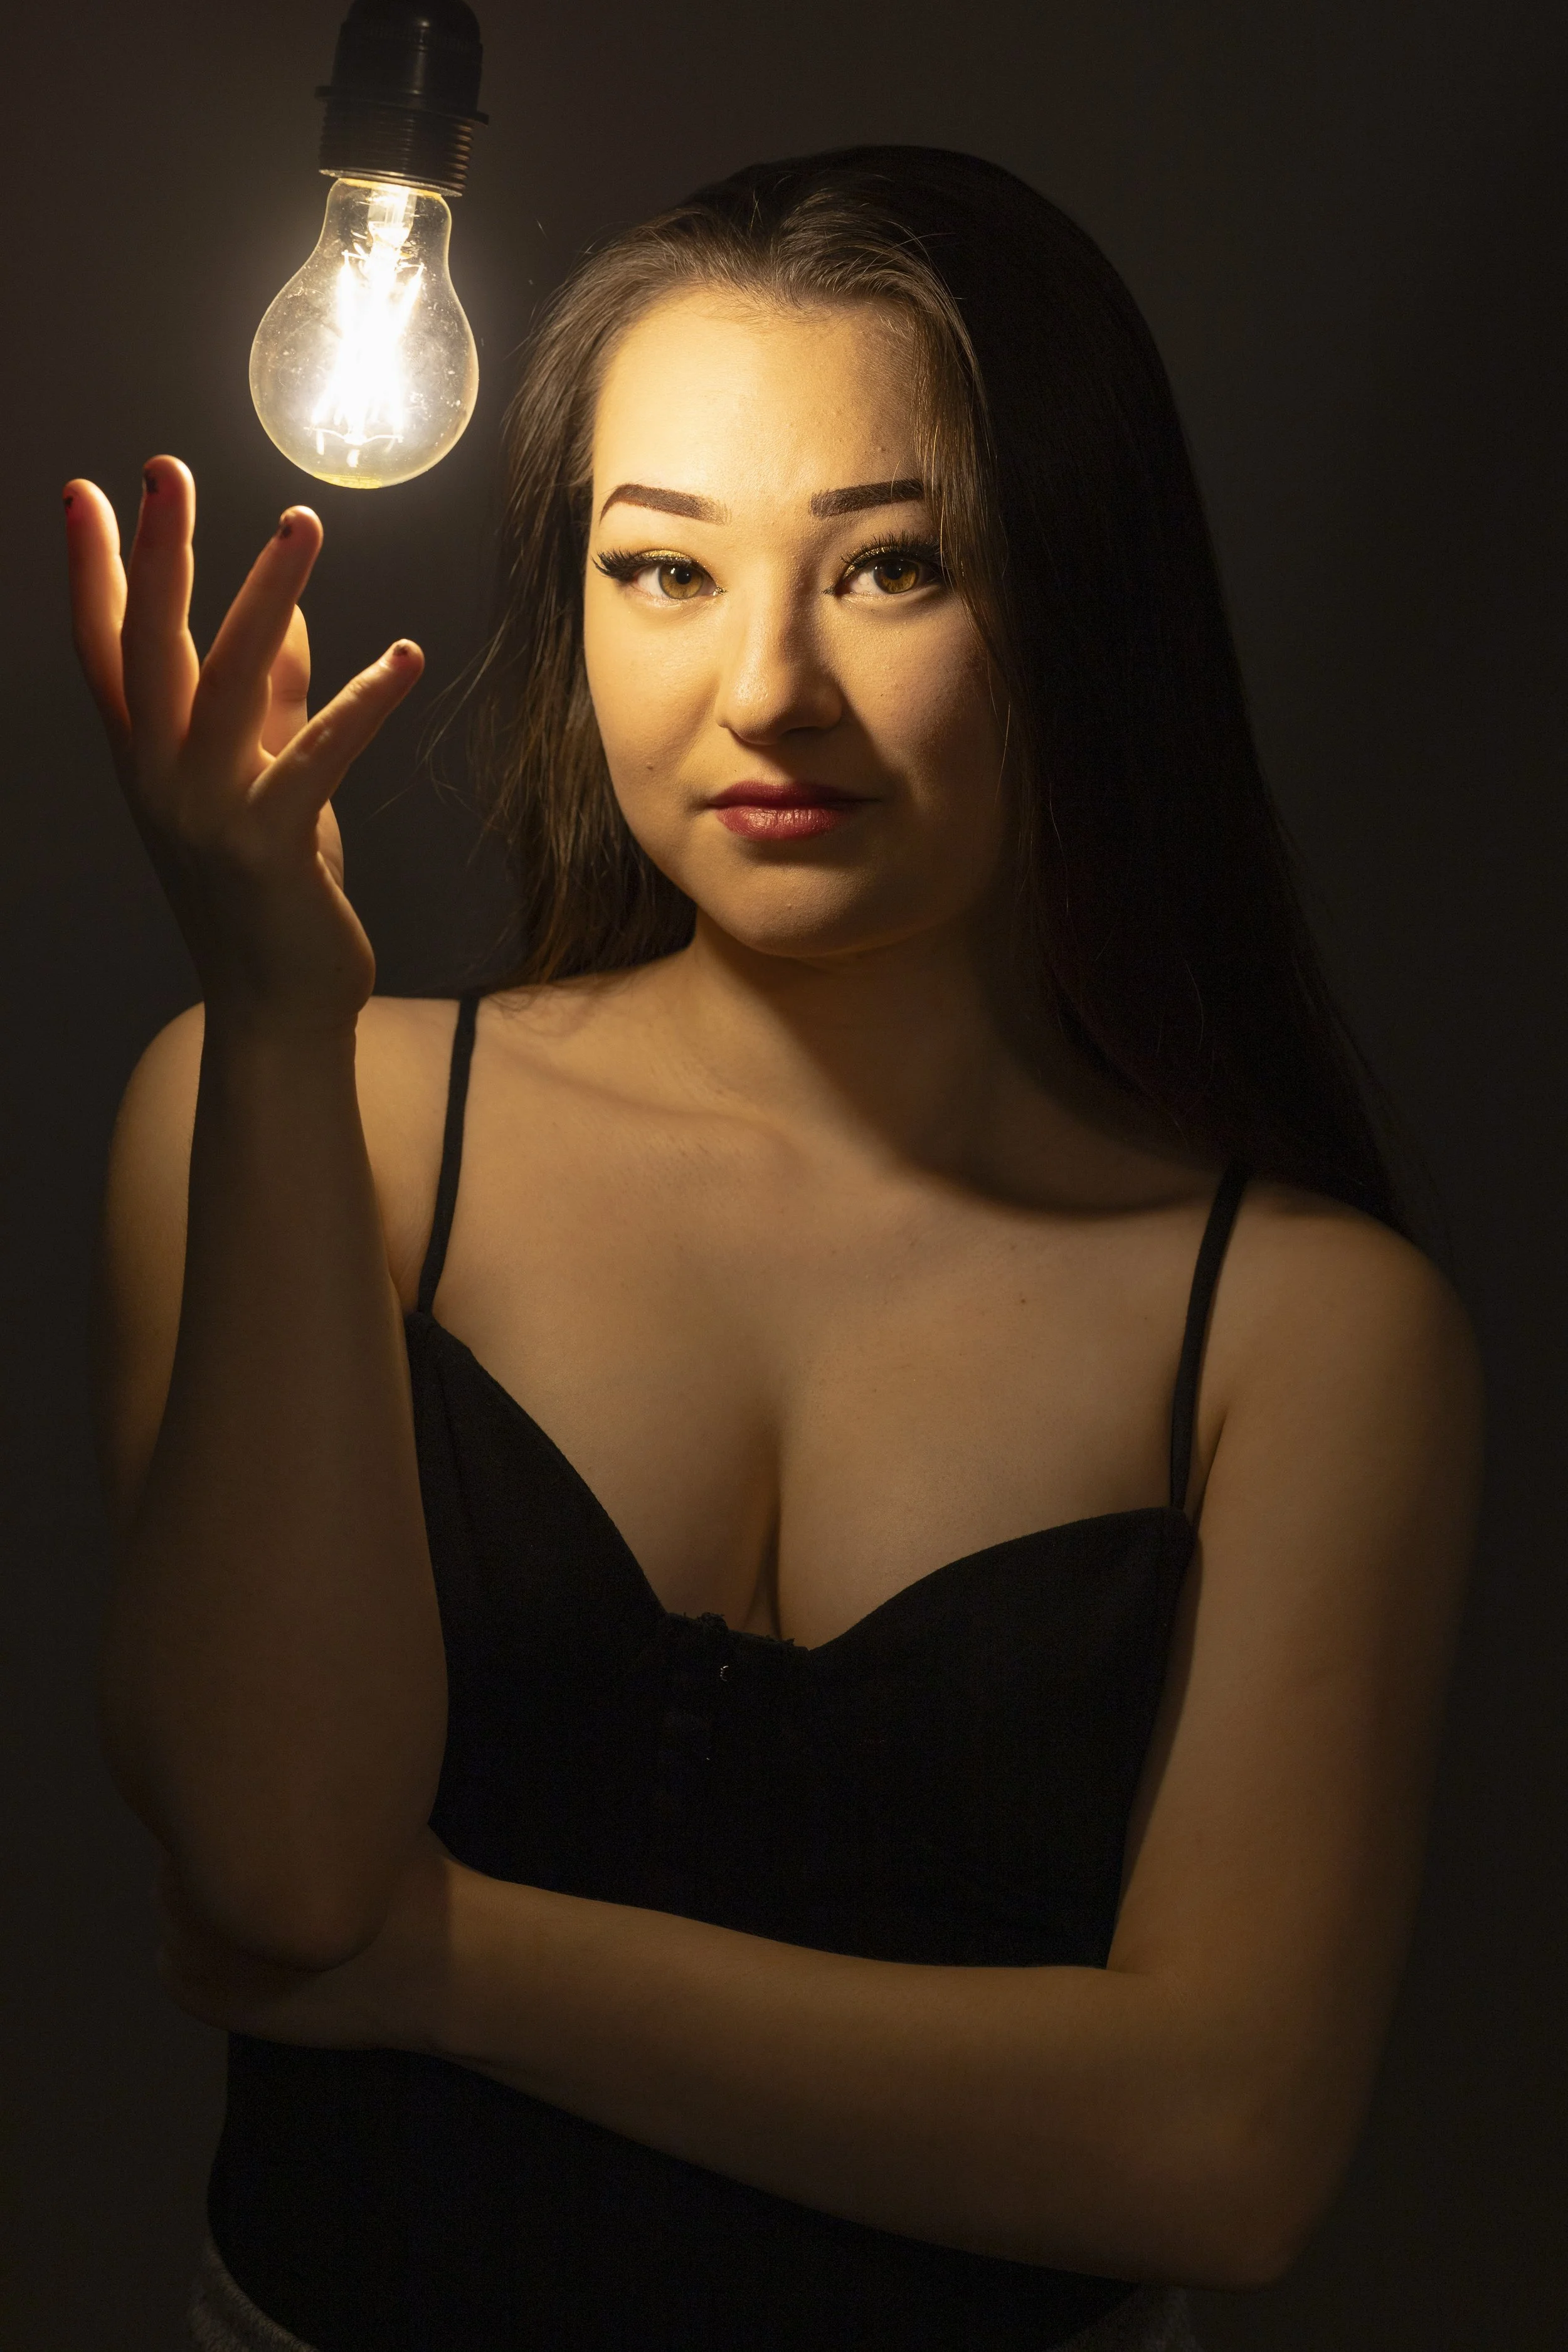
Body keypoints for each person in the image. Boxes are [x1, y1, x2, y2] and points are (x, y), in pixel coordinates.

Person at [65, 148, 1481, 2352]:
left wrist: (443, 1960)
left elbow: (1218, 2149)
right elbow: (274, 1859)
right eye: (660, 570)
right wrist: (270, 1016)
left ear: (1080, 601)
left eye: (892, 567)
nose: (767, 688)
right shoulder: (314, 1114)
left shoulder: (1300, 1326)